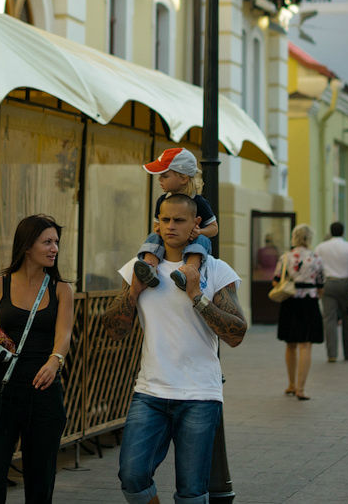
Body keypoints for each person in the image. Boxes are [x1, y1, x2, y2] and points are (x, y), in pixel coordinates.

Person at [103, 193, 246, 504]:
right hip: (150, 391)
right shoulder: (139, 269)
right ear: (157, 223)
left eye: (179, 220)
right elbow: (114, 330)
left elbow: (237, 333)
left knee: (192, 491)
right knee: (132, 475)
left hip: (199, 395)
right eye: (165, 220)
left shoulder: (216, 270)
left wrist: (198, 297)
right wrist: (133, 293)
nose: (170, 226)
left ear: (195, 224)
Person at [0, 214, 74, 504]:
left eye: (56, 242)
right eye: (47, 242)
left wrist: (55, 360)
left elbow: (64, 335)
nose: (54, 248)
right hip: (1, 392)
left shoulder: (61, 289)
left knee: (40, 484)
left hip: (44, 393)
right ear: (27, 245)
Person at [134, 147, 218, 290]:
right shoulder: (162, 201)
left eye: (165, 176)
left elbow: (214, 229)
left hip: (193, 242)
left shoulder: (199, 202)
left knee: (203, 241)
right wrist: (159, 229)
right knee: (153, 237)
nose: (160, 179)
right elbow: (156, 225)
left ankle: (188, 272)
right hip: (169, 243)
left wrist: (200, 232)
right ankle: (149, 268)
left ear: (184, 178)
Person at [272, 223, 324, 401]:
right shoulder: (316, 257)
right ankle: (301, 388)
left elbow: (276, 280)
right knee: (305, 344)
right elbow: (321, 283)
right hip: (309, 302)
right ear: (309, 238)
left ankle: (291, 384)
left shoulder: (285, 257)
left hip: (290, 301)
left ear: (294, 237)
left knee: (290, 343)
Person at [315, 221, 348, 362]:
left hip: (328, 284)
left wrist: (319, 287)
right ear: (343, 232)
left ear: (330, 232)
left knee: (329, 319)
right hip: (345, 285)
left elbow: (316, 268)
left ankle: (332, 354)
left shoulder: (320, 247)